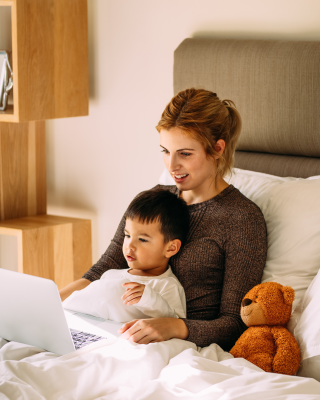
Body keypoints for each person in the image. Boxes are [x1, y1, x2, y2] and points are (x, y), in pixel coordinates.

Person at [59, 88, 268, 350]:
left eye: (185, 154)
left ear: (216, 149)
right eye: (165, 151)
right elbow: (97, 273)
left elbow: (235, 323)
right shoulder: (151, 202)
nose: (171, 166)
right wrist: (48, 306)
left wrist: (174, 326)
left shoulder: (241, 219)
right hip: (116, 331)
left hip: (185, 347)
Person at [62, 189, 190, 323]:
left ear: (171, 248)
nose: (129, 245)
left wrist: (150, 299)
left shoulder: (167, 286)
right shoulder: (110, 276)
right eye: (127, 235)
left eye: (142, 239)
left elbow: (175, 324)